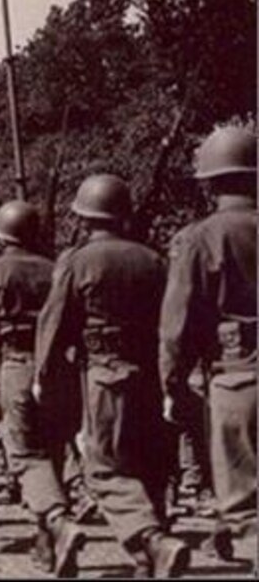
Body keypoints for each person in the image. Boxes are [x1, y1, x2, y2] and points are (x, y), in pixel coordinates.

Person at [37, 174, 189, 577]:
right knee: (148, 461)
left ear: (85, 217)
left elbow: (55, 323)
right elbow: (171, 322)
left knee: (104, 468)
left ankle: (153, 539)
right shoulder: (153, 259)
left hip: (104, 374)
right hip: (149, 375)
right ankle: (149, 558)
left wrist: (46, 376)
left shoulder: (77, 261)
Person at [0, 201, 85, 575]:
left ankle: (59, 521)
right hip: (59, 366)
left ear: (1, 234)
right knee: (55, 453)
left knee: (26, 455)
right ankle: (49, 545)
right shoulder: (56, 269)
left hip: (16, 366)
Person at [160, 125, 257, 559]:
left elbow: (178, 320)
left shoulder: (197, 239)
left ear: (209, 183)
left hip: (235, 377)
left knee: (243, 498)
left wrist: (172, 380)